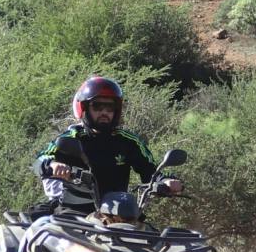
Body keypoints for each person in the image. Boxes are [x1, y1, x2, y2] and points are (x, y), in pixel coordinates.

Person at [31, 76, 181, 214]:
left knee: (151, 239)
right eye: (97, 106)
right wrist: (53, 165)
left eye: (109, 108)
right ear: (84, 108)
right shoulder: (72, 137)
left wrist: (165, 182)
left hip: (116, 215)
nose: (104, 112)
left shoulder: (128, 141)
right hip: (73, 213)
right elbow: (41, 159)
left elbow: (150, 171)